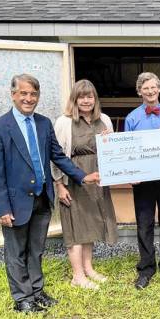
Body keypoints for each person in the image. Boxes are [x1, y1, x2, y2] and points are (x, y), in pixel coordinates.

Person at [0, 74, 99, 313]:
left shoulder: (44, 123)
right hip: (15, 203)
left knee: (36, 249)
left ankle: (37, 291)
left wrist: (82, 176)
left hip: (42, 198)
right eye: (23, 93)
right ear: (13, 94)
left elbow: (57, 156)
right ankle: (22, 298)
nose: (28, 98)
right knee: (16, 251)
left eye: (33, 94)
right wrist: (1, 208)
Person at [52, 79, 118, 290]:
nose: (86, 100)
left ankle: (88, 268)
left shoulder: (104, 120)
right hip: (74, 180)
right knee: (75, 227)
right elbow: (56, 155)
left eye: (90, 96)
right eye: (82, 96)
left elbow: (113, 151)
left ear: (95, 99)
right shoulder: (64, 122)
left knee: (91, 224)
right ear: (75, 99)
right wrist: (59, 185)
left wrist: (111, 140)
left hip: (98, 180)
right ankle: (77, 275)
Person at [124, 72, 160, 289]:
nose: (150, 91)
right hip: (143, 182)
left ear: (159, 89)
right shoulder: (131, 118)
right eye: (145, 88)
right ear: (139, 91)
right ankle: (146, 269)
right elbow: (126, 151)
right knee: (144, 225)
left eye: (153, 87)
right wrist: (130, 174)